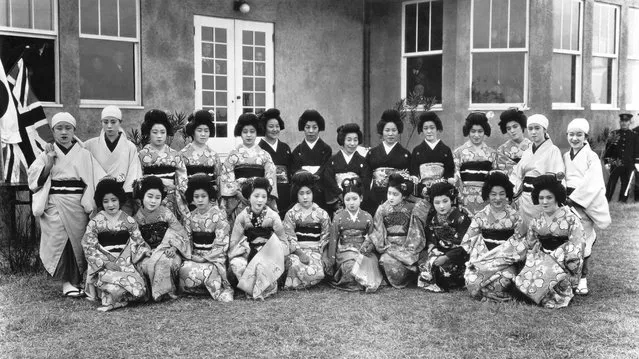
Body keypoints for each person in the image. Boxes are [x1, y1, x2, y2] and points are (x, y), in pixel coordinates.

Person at [27, 112, 105, 298]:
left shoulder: (84, 153)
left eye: (68, 128)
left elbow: (97, 177)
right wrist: (49, 162)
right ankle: (66, 282)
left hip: (78, 204)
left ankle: (76, 281)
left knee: (77, 242)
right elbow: (34, 181)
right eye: (59, 128)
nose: (64, 132)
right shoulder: (46, 153)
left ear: (74, 130)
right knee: (60, 241)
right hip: (55, 203)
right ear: (53, 131)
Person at [515, 175, 585, 309]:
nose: (545, 202)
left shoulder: (571, 218)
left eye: (549, 197)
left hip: (562, 263)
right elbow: (531, 244)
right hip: (541, 259)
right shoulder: (536, 220)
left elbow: (577, 244)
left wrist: (562, 258)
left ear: (557, 197)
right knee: (529, 281)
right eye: (541, 198)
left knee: (546, 290)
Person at [82, 178, 149, 311]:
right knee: (114, 286)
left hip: (125, 262)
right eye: (105, 201)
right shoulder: (95, 222)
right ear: (101, 202)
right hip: (104, 264)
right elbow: (89, 246)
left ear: (120, 200)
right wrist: (104, 263)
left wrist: (144, 251)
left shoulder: (129, 221)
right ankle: (116, 298)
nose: (110, 204)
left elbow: (137, 242)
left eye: (114, 200)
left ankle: (116, 299)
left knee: (140, 289)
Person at [563, 118, 611, 295]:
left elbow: (594, 182)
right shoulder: (566, 156)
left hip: (583, 202)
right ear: (567, 135)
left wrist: (575, 198)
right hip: (566, 200)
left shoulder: (591, 157)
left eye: (579, 135)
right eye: (571, 134)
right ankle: (569, 276)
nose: (575, 138)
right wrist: (563, 195)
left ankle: (583, 278)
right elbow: (562, 177)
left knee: (584, 239)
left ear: (585, 137)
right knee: (568, 238)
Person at [462, 172, 527, 302]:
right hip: (484, 257)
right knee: (471, 281)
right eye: (493, 194)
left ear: (507, 194)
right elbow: (468, 241)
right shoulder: (480, 216)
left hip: (506, 258)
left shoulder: (515, 216)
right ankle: (495, 295)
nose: (498, 198)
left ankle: (488, 294)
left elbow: (521, 241)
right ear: (487, 195)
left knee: (503, 280)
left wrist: (505, 254)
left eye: (502, 194)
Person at [228, 178, 297, 300]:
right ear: (249, 197)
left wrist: (269, 249)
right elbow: (234, 242)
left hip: (269, 253)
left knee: (262, 265)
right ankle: (250, 289)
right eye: (256, 196)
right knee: (237, 264)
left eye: (264, 196)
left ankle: (265, 289)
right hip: (248, 251)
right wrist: (246, 248)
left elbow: (283, 241)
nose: (260, 200)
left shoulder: (273, 216)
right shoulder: (242, 217)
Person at [134, 176, 191, 301]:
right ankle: (151, 293)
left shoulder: (166, 213)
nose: (153, 201)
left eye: (157, 197)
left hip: (167, 249)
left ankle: (166, 293)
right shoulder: (137, 218)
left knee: (166, 261)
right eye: (149, 196)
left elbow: (180, 233)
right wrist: (144, 251)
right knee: (145, 264)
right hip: (148, 251)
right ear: (142, 196)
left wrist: (174, 247)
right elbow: (134, 240)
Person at [178, 174, 234, 302]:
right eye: (196, 197)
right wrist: (191, 255)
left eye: (203, 196)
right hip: (195, 255)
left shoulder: (219, 216)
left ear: (210, 196)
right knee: (184, 269)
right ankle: (198, 289)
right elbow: (187, 240)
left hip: (213, 257)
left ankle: (210, 287)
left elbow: (222, 243)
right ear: (192, 198)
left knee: (211, 271)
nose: (200, 200)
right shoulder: (190, 217)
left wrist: (205, 258)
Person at [219, 113, 278, 226]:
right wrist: (238, 194)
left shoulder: (264, 155)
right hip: (239, 199)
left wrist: (259, 193)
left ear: (257, 133)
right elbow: (227, 177)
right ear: (240, 133)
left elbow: (270, 176)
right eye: (245, 132)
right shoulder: (233, 155)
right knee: (239, 228)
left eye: (252, 131)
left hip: (260, 197)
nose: (249, 135)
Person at [84, 105, 142, 215]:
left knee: (123, 227)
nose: (109, 126)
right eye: (105, 122)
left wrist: (126, 194)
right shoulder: (90, 145)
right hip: (101, 196)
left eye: (113, 122)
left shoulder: (130, 147)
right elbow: (76, 150)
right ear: (101, 122)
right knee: (103, 228)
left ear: (120, 122)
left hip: (123, 196)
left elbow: (134, 172)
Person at [509, 114, 565, 228]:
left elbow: (557, 176)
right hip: (524, 198)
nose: (533, 132)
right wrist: (512, 190)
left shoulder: (553, 150)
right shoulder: (527, 151)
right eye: (530, 129)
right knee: (525, 229)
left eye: (537, 128)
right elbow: (517, 175)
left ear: (544, 130)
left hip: (542, 198)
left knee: (542, 229)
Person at [325, 178, 379, 292]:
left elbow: (372, 237)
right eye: (347, 199)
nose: (351, 202)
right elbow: (334, 239)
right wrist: (332, 260)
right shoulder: (338, 217)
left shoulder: (367, 217)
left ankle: (365, 282)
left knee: (369, 264)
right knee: (349, 266)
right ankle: (359, 283)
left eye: (355, 199)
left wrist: (369, 248)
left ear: (361, 198)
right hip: (345, 251)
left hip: (362, 249)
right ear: (343, 200)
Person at [371, 173, 423, 288]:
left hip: (406, 245)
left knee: (407, 263)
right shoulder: (382, 209)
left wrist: (411, 197)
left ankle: (406, 277)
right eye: (389, 193)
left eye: (395, 194)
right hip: (388, 245)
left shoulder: (411, 208)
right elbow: (378, 229)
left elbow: (424, 209)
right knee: (385, 260)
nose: (391, 197)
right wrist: (383, 245)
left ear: (403, 196)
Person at [418, 182, 472, 293]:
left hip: (458, 256)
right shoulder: (433, 218)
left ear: (452, 200)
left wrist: (446, 257)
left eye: (445, 201)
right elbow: (431, 236)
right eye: (437, 202)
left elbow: (466, 244)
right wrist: (432, 246)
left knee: (442, 271)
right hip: (440, 251)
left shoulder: (461, 218)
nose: (441, 206)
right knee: (422, 262)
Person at [282, 172, 329, 289]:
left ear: (313, 193)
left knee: (318, 272)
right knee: (294, 266)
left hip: (316, 250)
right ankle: (301, 280)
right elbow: (289, 236)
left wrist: (324, 255)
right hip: (297, 251)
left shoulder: (322, 213)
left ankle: (297, 281)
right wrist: (300, 253)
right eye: (301, 193)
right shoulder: (291, 213)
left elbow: (326, 236)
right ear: (296, 195)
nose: (305, 197)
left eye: (308, 193)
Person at [138, 109, 188, 219]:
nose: (159, 136)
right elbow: (138, 180)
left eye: (162, 132)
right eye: (155, 132)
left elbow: (183, 180)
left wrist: (178, 189)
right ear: (149, 133)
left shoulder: (175, 155)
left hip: (170, 200)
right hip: (149, 199)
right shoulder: (141, 155)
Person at [365, 109, 411, 214]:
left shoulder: (406, 154)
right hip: (375, 196)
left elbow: (409, 178)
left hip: (398, 195)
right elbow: (366, 176)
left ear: (398, 131)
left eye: (394, 130)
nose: (390, 134)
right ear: (382, 131)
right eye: (387, 130)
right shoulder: (372, 153)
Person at [453, 112, 498, 215]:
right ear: (468, 131)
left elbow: (495, 180)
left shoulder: (492, 153)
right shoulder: (459, 153)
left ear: (485, 131)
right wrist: (461, 199)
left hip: (486, 199)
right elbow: (456, 178)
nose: (476, 135)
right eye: (473, 131)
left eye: (480, 131)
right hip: (465, 198)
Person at [323, 123, 370, 216]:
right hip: (337, 201)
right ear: (342, 140)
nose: (352, 143)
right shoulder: (333, 160)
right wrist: (340, 194)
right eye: (349, 140)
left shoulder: (362, 161)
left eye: (355, 140)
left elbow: (365, 180)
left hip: (356, 200)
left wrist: (355, 195)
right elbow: (328, 179)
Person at [290, 110, 332, 208]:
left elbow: (326, 169)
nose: (311, 131)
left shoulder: (326, 149)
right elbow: (294, 170)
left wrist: (314, 178)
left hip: (321, 190)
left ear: (319, 128)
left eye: (314, 127)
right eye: (307, 127)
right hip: (302, 189)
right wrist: (305, 178)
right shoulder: (297, 151)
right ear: (303, 129)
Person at [179, 110, 221, 203]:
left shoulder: (214, 155)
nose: (203, 134)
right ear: (193, 131)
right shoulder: (183, 154)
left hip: (210, 200)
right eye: (199, 130)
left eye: (206, 131)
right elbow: (180, 181)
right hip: (190, 200)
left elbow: (218, 179)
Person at [258, 108, 293, 217]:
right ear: (264, 127)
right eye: (271, 126)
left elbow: (290, 169)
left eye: (277, 126)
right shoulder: (259, 148)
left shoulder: (285, 147)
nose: (275, 129)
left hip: (285, 189)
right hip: (268, 190)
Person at [603, 113, 639, 202]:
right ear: (619, 122)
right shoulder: (614, 133)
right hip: (615, 163)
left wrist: (637, 162)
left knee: (625, 184)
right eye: (622, 121)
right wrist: (607, 162)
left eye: (626, 121)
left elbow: (636, 151)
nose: (624, 123)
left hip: (628, 164)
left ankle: (622, 201)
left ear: (630, 122)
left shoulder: (634, 135)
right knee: (611, 183)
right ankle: (606, 200)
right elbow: (608, 149)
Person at [496, 108, 532, 176]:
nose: (512, 131)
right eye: (508, 128)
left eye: (515, 126)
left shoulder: (533, 147)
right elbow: (502, 170)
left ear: (522, 126)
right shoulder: (502, 150)